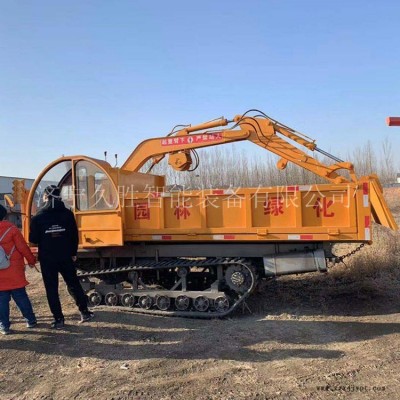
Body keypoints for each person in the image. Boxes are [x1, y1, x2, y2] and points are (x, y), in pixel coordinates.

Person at [29, 185, 94, 329]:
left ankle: (59, 319)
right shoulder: (67, 214)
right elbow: (73, 236)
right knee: (73, 284)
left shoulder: (38, 217)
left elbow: (33, 239)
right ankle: (85, 312)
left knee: (51, 289)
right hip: (65, 256)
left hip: (47, 258)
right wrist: (73, 253)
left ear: (46, 197)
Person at [0, 205, 37, 335]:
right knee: (21, 296)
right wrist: (31, 261)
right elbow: (23, 248)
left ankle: (4, 326)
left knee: (1, 301)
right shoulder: (12, 229)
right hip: (14, 270)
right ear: (4, 215)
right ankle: (30, 320)